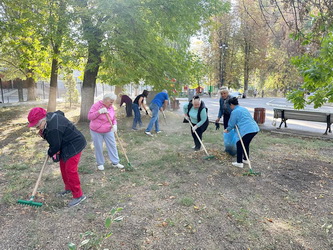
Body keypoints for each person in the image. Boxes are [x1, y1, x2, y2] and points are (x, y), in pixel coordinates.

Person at [27, 107, 87, 207]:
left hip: (75, 144)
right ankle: (68, 188)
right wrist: (44, 133)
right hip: (65, 143)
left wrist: (50, 152)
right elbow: (61, 113)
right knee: (63, 167)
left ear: (43, 119)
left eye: (38, 126)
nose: (37, 128)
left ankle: (78, 195)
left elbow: (55, 146)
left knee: (70, 170)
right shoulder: (49, 117)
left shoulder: (53, 128)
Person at [88, 93, 124, 171]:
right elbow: (90, 117)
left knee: (112, 145)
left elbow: (113, 118)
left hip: (108, 130)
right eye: (111, 101)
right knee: (98, 147)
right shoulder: (96, 106)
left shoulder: (111, 107)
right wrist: (99, 112)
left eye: (113, 102)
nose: (112, 103)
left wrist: (115, 125)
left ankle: (115, 162)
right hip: (96, 130)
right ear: (105, 100)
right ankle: (100, 163)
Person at [224, 97, 260, 168]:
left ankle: (239, 162)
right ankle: (246, 159)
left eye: (229, 105)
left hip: (247, 129)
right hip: (254, 128)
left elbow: (232, 123)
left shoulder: (234, 111)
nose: (230, 107)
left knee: (239, 143)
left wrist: (227, 130)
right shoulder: (243, 109)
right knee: (245, 144)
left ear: (231, 104)